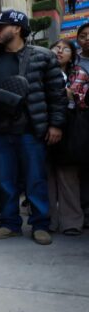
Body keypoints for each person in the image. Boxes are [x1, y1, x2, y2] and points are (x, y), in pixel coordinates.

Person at [0, 10, 67, 245]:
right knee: (5, 181)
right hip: (0, 132)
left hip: (31, 131)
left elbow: (57, 94)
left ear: (17, 28)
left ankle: (40, 225)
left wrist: (56, 124)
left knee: (35, 180)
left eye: (1, 27)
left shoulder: (43, 57)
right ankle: (9, 224)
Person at [47, 39, 83, 236]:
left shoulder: (77, 74)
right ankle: (48, 221)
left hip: (70, 128)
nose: (60, 51)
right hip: (43, 126)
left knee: (68, 176)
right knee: (46, 176)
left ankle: (71, 222)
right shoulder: (41, 72)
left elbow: (80, 99)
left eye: (65, 49)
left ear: (72, 56)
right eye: (56, 48)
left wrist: (70, 95)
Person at [74, 23, 89, 230]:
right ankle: (85, 211)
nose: (87, 39)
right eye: (83, 35)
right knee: (84, 168)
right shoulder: (74, 62)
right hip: (81, 118)